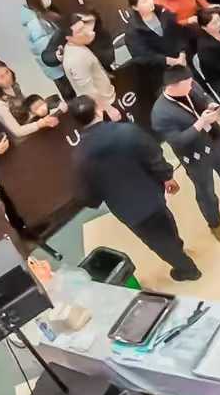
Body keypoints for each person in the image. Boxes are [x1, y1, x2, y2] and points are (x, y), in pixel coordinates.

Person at [67, 95, 200, 281]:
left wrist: (100, 194)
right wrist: (166, 176)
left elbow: (85, 196)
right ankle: (179, 250)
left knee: (156, 241)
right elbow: (153, 154)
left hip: (127, 209)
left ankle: (188, 270)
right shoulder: (127, 131)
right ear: (98, 109)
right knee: (166, 223)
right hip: (153, 194)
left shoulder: (79, 156)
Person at [149, 67, 220, 243]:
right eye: (188, 84)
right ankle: (215, 224)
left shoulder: (191, 85)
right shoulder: (160, 113)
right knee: (206, 191)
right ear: (173, 85)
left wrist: (211, 105)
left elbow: (204, 96)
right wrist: (201, 122)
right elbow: (178, 141)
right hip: (195, 155)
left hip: (215, 139)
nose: (192, 85)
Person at [61, 12, 120, 119]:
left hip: (108, 97)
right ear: (69, 37)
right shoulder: (76, 59)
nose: (86, 32)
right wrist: (109, 110)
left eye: (84, 27)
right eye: (79, 31)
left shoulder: (79, 46)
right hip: (104, 108)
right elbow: (88, 91)